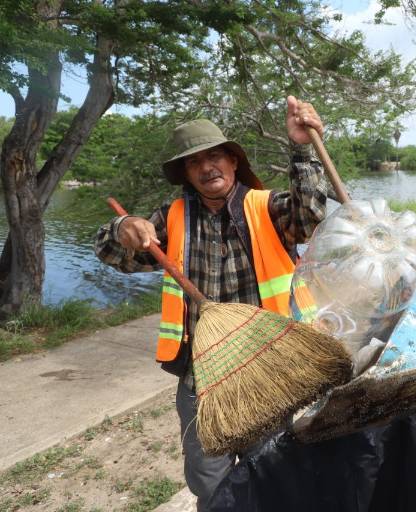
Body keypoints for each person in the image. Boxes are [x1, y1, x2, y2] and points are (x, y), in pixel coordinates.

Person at [94, 96, 330, 511]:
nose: (207, 167)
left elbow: (309, 217)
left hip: (266, 371)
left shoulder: (267, 207)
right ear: (186, 173)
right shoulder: (173, 218)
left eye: (216, 156)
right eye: (194, 162)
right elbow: (115, 256)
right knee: (210, 481)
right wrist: (122, 228)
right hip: (200, 378)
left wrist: (302, 149)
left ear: (233, 162)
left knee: (271, 470)